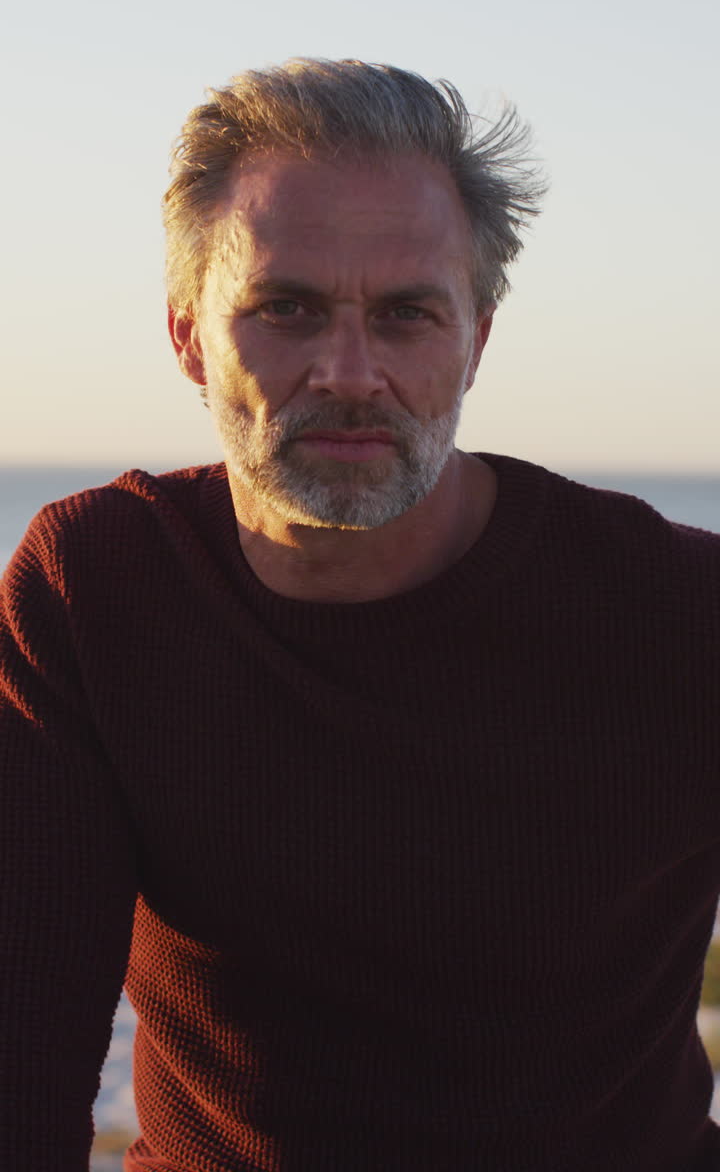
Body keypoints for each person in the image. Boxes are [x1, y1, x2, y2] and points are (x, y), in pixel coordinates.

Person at [1, 59, 720, 1172]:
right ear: (189, 335)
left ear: (477, 338)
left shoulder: (678, 610)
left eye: (406, 315)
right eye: (286, 308)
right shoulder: (99, 584)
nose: (350, 371)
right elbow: (23, 1041)